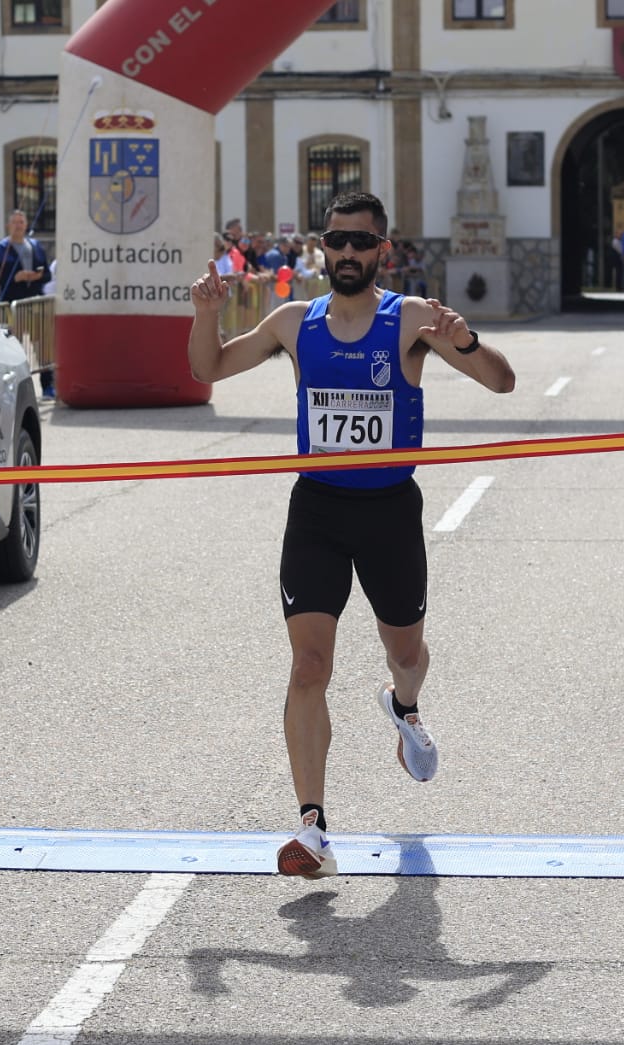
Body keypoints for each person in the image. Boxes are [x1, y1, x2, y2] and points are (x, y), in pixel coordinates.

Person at [187, 191, 516, 879]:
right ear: (323, 247)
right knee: (309, 667)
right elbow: (209, 367)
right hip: (318, 513)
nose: (346, 253)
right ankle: (312, 827)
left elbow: (502, 383)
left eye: (360, 243)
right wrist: (207, 315)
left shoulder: (410, 321)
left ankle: (404, 707)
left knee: (407, 652)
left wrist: (465, 341)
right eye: (335, 241)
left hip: (390, 513)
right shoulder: (292, 323)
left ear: (381, 252)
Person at [0, 210, 53, 397]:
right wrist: (14, 277)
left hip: (34, 303)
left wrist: (37, 276)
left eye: (21, 222)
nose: (18, 225)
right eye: (14, 222)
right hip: (11, 305)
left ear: (26, 224)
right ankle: (14, 388)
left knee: (42, 347)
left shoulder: (36, 246)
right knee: (13, 348)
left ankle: (47, 386)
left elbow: (47, 274)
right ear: (8, 226)